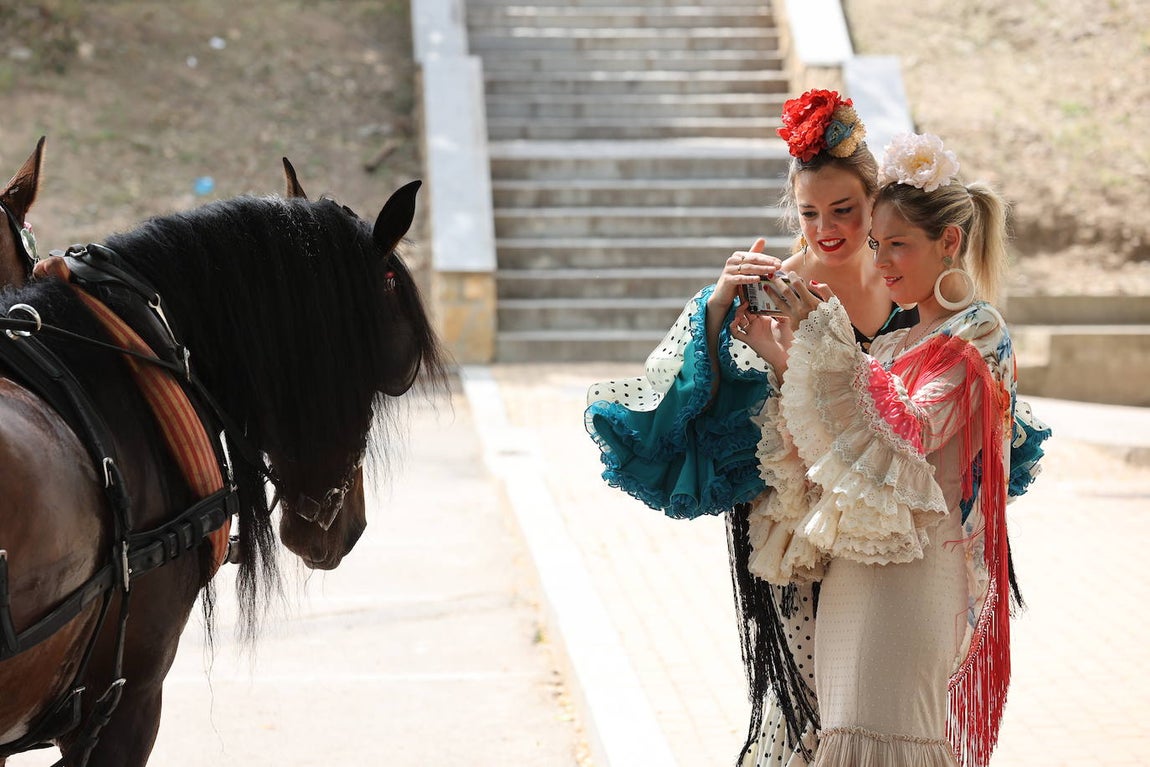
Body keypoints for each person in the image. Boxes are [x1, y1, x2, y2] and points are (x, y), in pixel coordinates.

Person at [735, 131, 1019, 767]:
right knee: (848, 737)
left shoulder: (978, 333)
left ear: (949, 243)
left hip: (917, 575)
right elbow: (838, 444)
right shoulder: (896, 344)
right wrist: (775, 347)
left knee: (888, 739)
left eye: (899, 245)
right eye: (877, 245)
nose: (883, 262)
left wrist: (821, 334)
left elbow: (903, 432)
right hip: (856, 569)